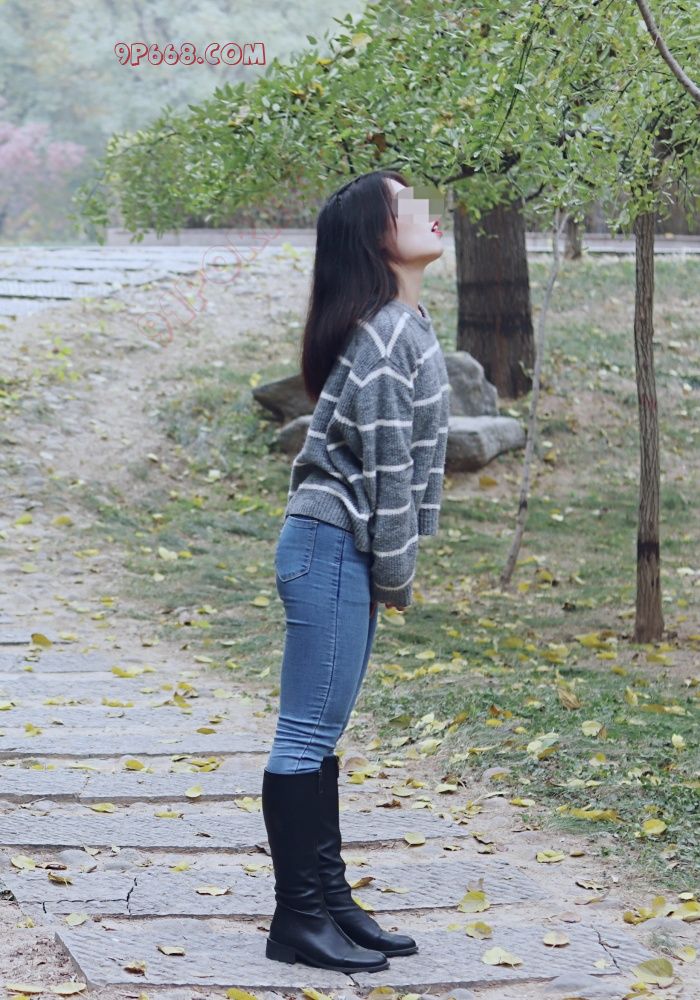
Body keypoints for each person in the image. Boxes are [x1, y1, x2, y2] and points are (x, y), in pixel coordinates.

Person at [262, 169, 450, 973]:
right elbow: (388, 472)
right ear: (378, 236)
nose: (430, 214)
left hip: (338, 545)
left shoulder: (403, 323)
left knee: (322, 732)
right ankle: (298, 919)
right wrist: (397, 575)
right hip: (331, 542)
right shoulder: (386, 336)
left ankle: (331, 904)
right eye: (409, 206)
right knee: (304, 733)